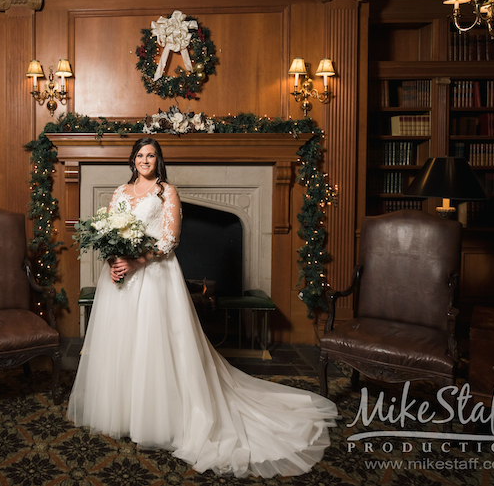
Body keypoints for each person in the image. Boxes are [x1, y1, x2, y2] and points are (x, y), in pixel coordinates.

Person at [67, 137, 339, 478]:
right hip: (120, 278)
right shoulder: (120, 192)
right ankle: (122, 411)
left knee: (155, 345)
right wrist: (114, 261)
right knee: (122, 343)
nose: (145, 160)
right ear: (132, 159)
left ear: (158, 159)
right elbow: (106, 233)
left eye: (151, 155)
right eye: (140, 155)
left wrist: (135, 262)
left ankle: (157, 416)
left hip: (154, 277)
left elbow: (169, 240)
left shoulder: (167, 191)